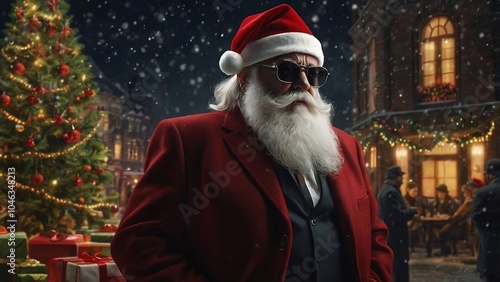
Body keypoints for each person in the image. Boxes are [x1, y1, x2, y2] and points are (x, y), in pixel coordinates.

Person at [111, 4, 393, 282]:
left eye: (315, 74)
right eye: (288, 71)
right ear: (246, 78)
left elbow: (374, 236)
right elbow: (138, 243)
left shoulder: (347, 146)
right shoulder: (188, 140)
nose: (305, 84)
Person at [377, 166, 418, 282]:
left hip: (392, 232)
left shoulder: (387, 189)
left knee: (395, 262)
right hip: (395, 233)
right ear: (395, 178)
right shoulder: (391, 192)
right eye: (401, 177)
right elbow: (397, 214)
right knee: (399, 263)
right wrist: (411, 211)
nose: (403, 180)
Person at [472, 158, 500, 282]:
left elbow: (476, 216)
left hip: (490, 242)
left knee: (491, 276)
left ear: (490, 175)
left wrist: (486, 230)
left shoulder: (483, 192)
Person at [436, 182, 475, 256]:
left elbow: (460, 216)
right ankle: (445, 249)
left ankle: (445, 250)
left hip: (459, 225)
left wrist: (452, 216)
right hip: (454, 222)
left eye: (464, 193)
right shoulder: (465, 203)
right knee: (437, 229)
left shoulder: (468, 204)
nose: (464, 195)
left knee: (442, 232)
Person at [403, 182, 428, 252]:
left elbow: (420, 210)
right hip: (406, 221)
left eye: (417, 192)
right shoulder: (403, 200)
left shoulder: (417, 200)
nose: (416, 193)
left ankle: (425, 245)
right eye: (414, 191)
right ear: (408, 190)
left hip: (416, 221)